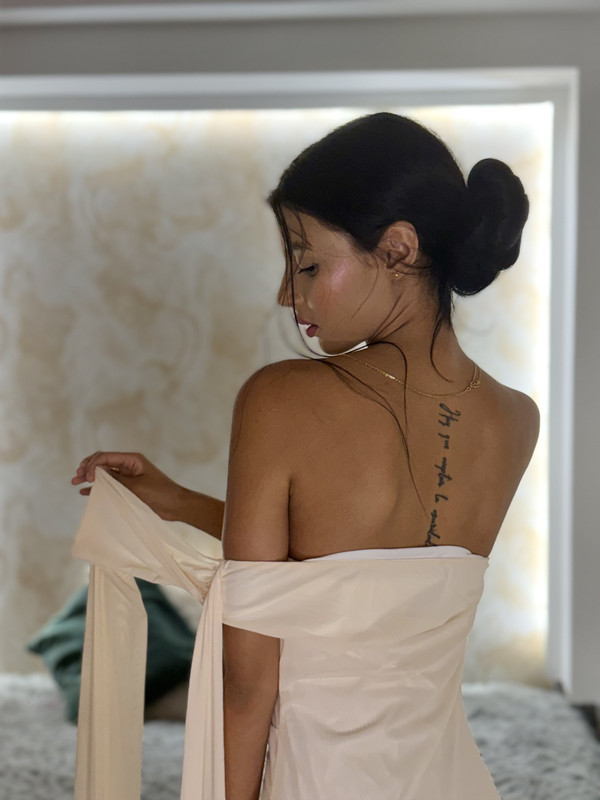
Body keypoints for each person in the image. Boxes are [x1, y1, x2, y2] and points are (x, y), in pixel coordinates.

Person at [71, 111, 539, 800]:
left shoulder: (281, 397)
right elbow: (359, 579)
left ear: (399, 248)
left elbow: (248, 680)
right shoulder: (517, 419)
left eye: (308, 262)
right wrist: (178, 502)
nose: (287, 293)